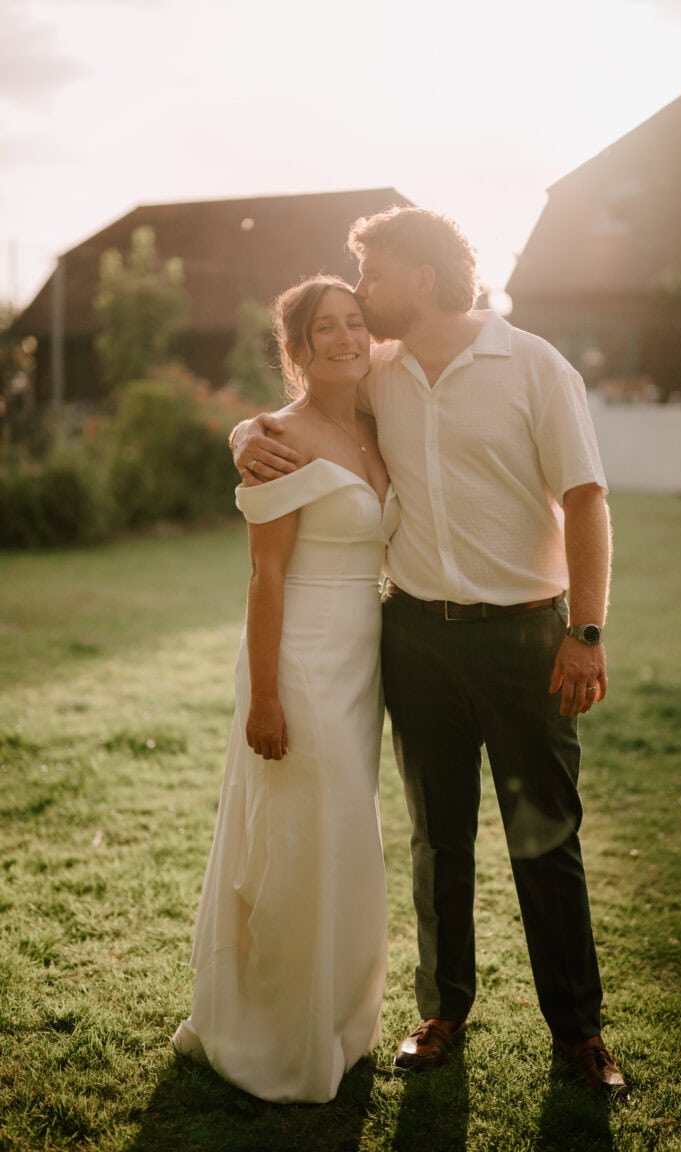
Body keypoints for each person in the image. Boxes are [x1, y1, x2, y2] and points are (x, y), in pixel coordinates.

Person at [231, 208, 628, 1095]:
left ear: (423, 274)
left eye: (371, 275)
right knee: (436, 840)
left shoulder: (534, 366)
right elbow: (305, 408)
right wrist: (247, 435)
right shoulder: (381, 371)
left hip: (529, 638)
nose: (362, 296)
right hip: (413, 638)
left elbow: (587, 500)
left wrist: (586, 632)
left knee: (545, 839)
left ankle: (579, 1033)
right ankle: (444, 1012)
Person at [174, 275, 398, 1103]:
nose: (345, 339)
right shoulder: (279, 438)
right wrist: (265, 697)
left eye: (356, 324)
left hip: (362, 660)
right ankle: (273, 1031)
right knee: (301, 834)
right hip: (297, 657)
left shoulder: (381, 425)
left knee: (347, 833)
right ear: (296, 349)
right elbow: (264, 579)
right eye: (323, 329)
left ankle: (339, 1019)